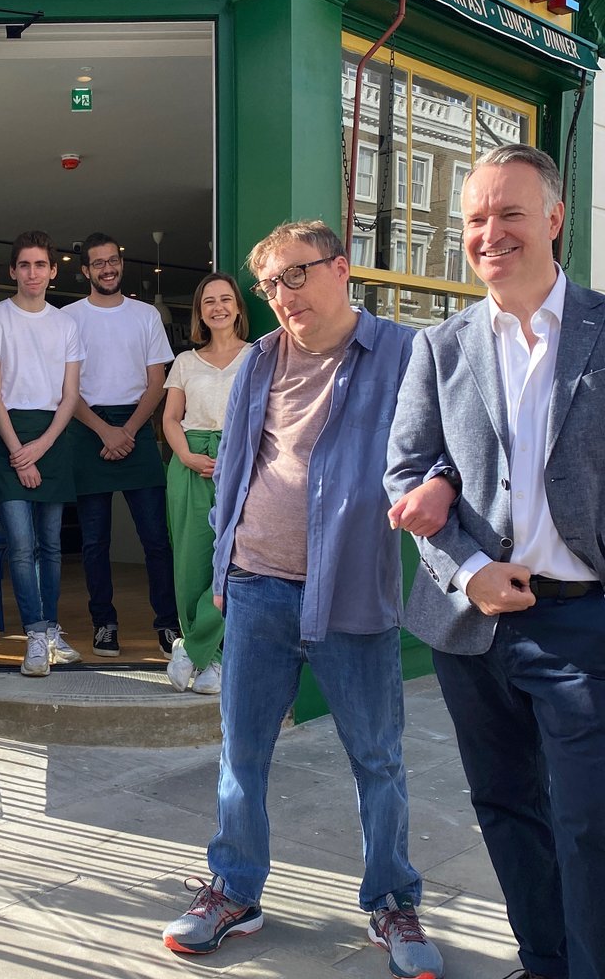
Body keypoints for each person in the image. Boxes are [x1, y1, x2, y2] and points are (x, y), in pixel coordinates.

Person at [162, 220, 454, 979]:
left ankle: (392, 899)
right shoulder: (260, 358)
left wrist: (440, 485)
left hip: (352, 588)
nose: (282, 297)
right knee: (242, 752)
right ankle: (234, 890)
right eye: (270, 285)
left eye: (296, 276)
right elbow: (234, 465)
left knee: (377, 757)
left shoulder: (400, 353)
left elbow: (446, 446)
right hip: (258, 585)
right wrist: (224, 569)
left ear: (340, 269)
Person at [385, 144, 605, 979]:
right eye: (475, 218)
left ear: (553, 220)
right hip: (471, 625)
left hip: (583, 617)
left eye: (509, 213)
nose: (490, 232)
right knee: (507, 808)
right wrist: (465, 565)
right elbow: (406, 470)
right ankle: (544, 961)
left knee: (589, 822)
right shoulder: (439, 346)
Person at [64, 233, 179, 658]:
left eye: (113, 260)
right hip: (87, 428)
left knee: (156, 539)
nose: (107, 268)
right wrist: (104, 431)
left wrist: (127, 430)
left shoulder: (146, 315)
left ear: (121, 264)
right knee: (94, 542)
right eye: (98, 263)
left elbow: (157, 382)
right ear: (85, 271)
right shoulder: (69, 318)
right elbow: (67, 389)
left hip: (136, 426)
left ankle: (168, 624)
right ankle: (104, 624)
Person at [0, 229, 84, 678]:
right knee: (21, 545)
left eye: (40, 265)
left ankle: (51, 632)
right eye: (24, 265)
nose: (33, 273)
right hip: (9, 432)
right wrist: (18, 452)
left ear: (52, 270)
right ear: (13, 270)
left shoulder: (66, 324)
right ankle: (33, 634)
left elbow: (70, 396)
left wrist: (42, 446)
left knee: (51, 545)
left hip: (53, 436)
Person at [162, 272, 251, 695]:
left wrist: (232, 460)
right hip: (189, 461)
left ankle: (198, 650)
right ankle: (207, 657)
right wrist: (186, 455)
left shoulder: (256, 357)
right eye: (208, 301)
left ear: (237, 307)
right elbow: (169, 418)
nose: (218, 307)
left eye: (225, 299)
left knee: (233, 561)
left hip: (240, 463)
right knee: (191, 560)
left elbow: (263, 420)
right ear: (199, 312)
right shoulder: (184, 362)